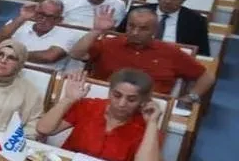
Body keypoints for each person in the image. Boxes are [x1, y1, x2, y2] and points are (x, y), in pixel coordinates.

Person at [71, 6, 214, 101]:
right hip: (102, 99)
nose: (135, 32)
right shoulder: (109, 43)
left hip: (148, 108)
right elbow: (76, 54)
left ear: (155, 30)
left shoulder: (171, 52)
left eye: (143, 28)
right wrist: (97, 30)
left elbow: (207, 77)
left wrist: (190, 97)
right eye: (131, 26)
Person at [36, 69, 163, 161]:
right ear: (109, 92)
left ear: (143, 101)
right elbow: (43, 129)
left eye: (131, 100)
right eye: (117, 95)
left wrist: (152, 123)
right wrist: (68, 99)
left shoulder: (146, 126)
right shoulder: (89, 106)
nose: (122, 103)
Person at [115, 0, 210, 56]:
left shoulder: (196, 20)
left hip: (172, 59)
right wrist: (110, 28)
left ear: (183, 0)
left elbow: (203, 53)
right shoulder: (137, 11)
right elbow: (119, 37)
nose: (168, 1)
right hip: (136, 53)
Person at [0, 0, 77, 70]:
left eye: (49, 17)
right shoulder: (19, 23)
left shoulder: (68, 34)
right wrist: (22, 17)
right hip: (7, 70)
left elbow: (49, 57)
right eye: (41, 14)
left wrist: (13, 55)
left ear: (59, 20)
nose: (43, 19)